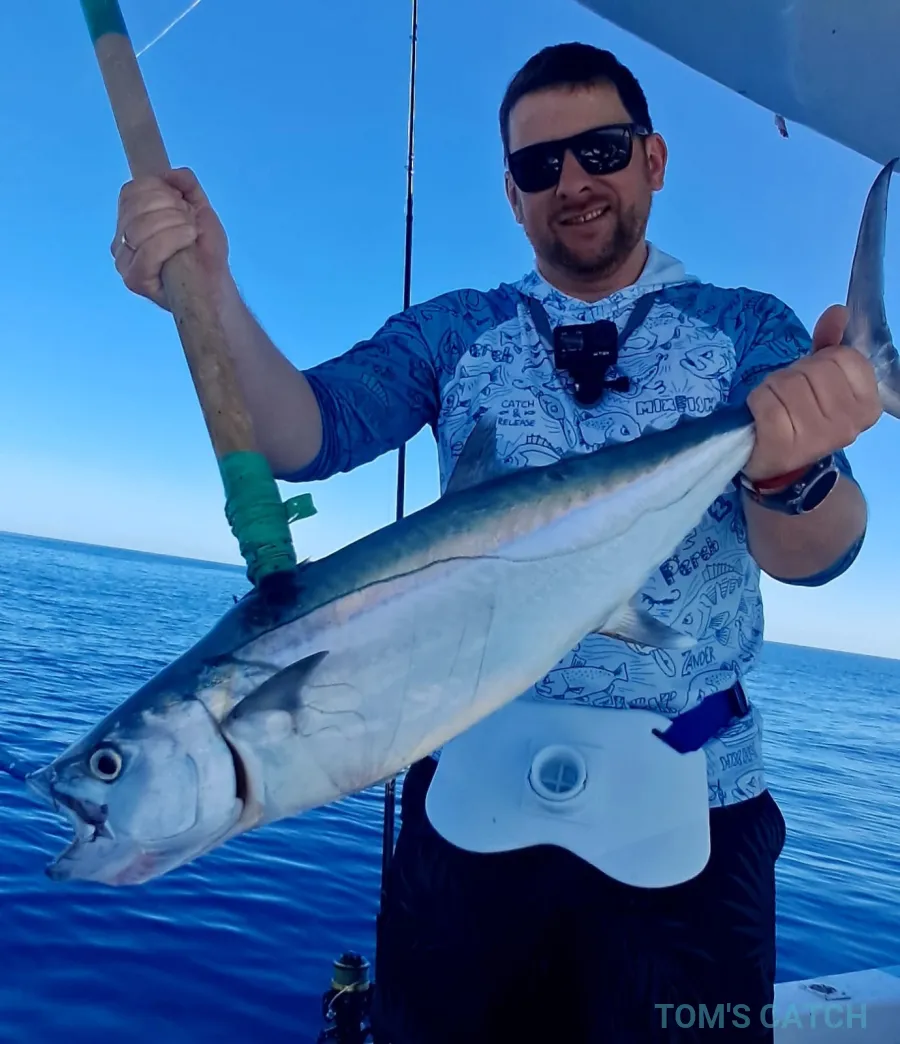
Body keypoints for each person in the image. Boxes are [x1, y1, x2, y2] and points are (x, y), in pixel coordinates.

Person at [111, 42, 880, 1043]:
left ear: (653, 159)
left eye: (602, 149)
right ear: (512, 195)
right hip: (468, 784)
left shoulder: (745, 331)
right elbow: (305, 432)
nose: (573, 181)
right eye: (538, 164)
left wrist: (790, 469)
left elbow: (816, 553)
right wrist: (208, 294)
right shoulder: (458, 332)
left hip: (696, 797)